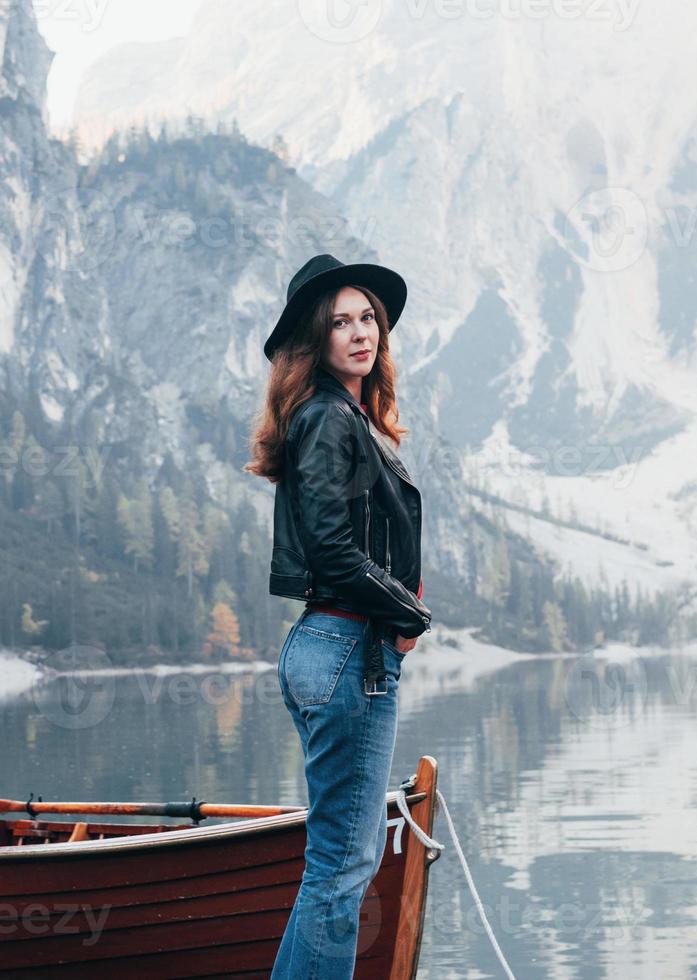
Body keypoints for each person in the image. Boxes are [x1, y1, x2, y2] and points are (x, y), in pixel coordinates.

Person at [245, 253, 432, 978]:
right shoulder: (327, 417)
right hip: (347, 650)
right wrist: (409, 615)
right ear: (313, 340)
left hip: (331, 647)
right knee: (341, 870)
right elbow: (329, 547)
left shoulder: (338, 414)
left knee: (331, 867)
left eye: (367, 320)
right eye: (339, 323)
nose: (359, 334)